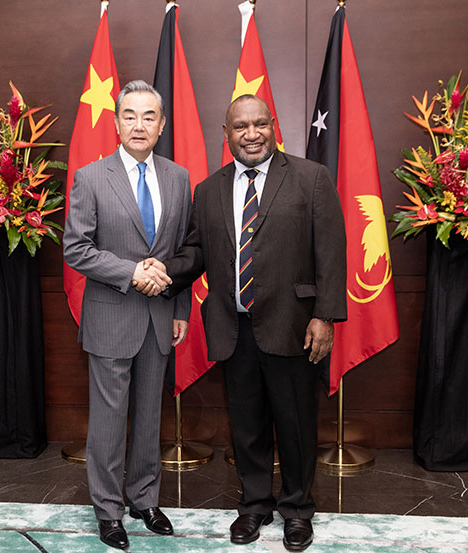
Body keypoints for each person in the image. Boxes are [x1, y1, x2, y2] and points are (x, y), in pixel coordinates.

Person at [141, 94, 347, 552]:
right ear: (227, 134)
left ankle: (297, 509)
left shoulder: (311, 178)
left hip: (294, 325)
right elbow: (197, 251)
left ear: (274, 126)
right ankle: (254, 505)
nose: (251, 134)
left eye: (259, 124)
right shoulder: (208, 190)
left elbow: (332, 252)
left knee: (295, 424)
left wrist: (325, 315)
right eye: (240, 127)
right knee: (247, 424)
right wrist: (163, 270)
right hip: (234, 328)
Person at [63, 80, 192, 550]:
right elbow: (76, 248)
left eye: (149, 116)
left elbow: (183, 251)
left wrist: (180, 306)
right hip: (111, 316)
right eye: (130, 115)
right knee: (109, 420)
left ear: (162, 125)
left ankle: (144, 499)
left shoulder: (179, 178)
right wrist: (131, 272)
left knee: (150, 415)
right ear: (116, 123)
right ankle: (108, 509)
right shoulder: (91, 177)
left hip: (160, 316)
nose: (139, 125)